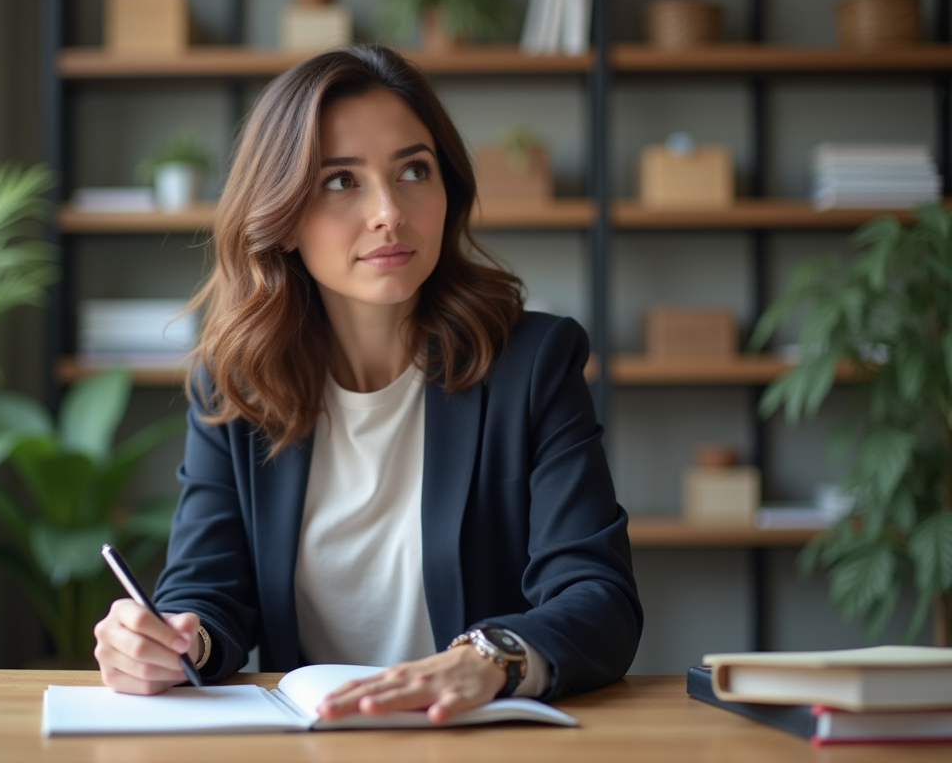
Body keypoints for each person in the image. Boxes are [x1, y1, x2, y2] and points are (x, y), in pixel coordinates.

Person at [93, 43, 642, 722]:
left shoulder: (532, 363)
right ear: (284, 218)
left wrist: (488, 659)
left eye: (414, 170)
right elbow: (208, 592)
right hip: (317, 743)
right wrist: (172, 640)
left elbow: (598, 597)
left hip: (480, 742)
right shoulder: (234, 381)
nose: (389, 211)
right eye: (340, 181)